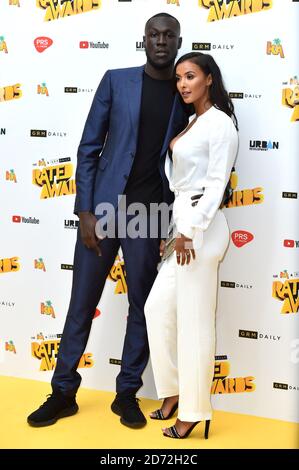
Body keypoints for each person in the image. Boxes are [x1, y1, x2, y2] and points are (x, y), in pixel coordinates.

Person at [27, 13, 189, 429]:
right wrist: (84, 211)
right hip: (101, 211)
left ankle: (126, 394)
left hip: (150, 214)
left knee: (142, 307)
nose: (160, 41)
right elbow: (89, 146)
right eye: (153, 34)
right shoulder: (116, 80)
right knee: (81, 303)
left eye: (169, 36)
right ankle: (63, 392)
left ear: (178, 42)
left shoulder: (183, 93)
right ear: (144, 39)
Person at [144, 52, 239, 439]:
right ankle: (172, 392)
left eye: (191, 76)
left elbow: (216, 184)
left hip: (202, 228)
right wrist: (177, 230)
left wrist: (190, 230)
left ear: (209, 79)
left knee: (195, 325)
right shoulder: (191, 121)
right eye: (180, 78)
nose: (183, 84)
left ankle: (194, 410)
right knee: (157, 309)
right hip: (182, 223)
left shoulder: (220, 124)